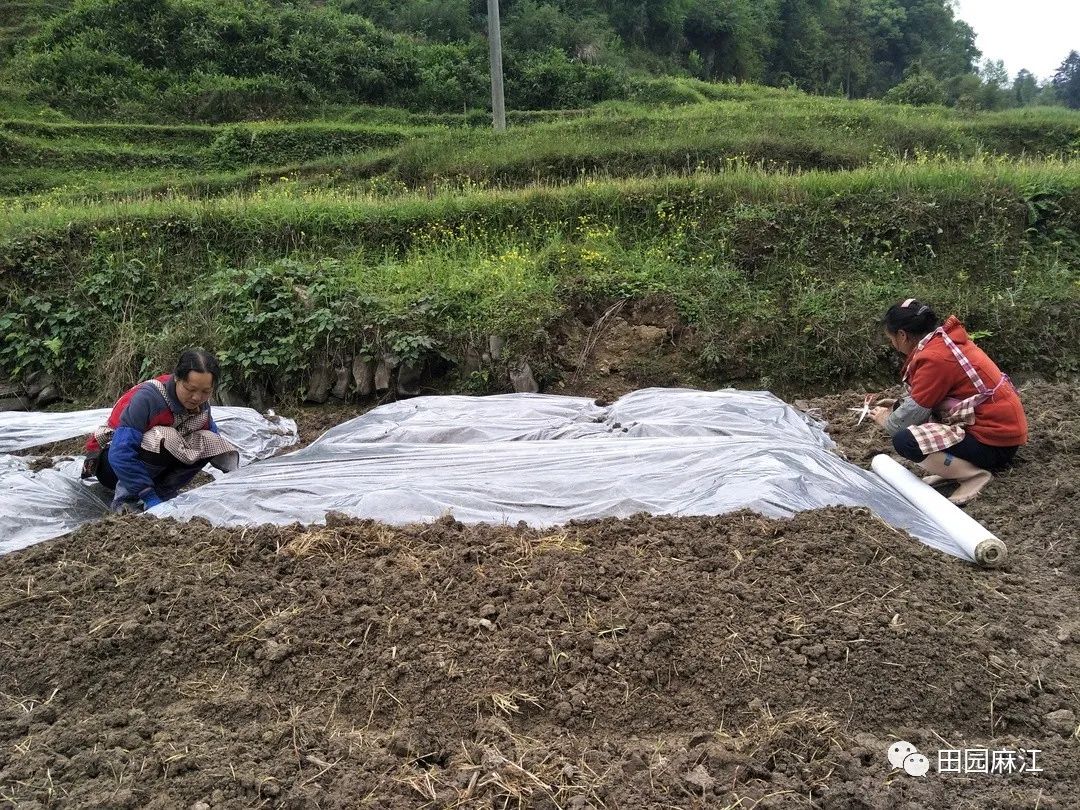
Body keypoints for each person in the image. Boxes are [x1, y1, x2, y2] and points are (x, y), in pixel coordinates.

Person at [871, 298, 1027, 505]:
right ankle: (953, 468)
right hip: (1002, 434)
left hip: (994, 444)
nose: (892, 343)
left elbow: (900, 423)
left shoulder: (935, 359)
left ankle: (972, 475)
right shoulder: (944, 342)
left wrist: (886, 419)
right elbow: (930, 396)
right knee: (919, 422)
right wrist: (901, 405)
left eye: (891, 338)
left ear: (902, 335)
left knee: (905, 440)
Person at [83, 349, 239, 512]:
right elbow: (120, 452)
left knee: (209, 442)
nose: (197, 398)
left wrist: (233, 476)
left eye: (205, 392)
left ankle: (163, 493)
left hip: (147, 463)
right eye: (190, 389)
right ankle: (127, 499)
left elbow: (213, 440)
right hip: (112, 467)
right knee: (164, 437)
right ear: (177, 378)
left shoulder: (200, 406)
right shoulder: (149, 399)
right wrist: (147, 494)